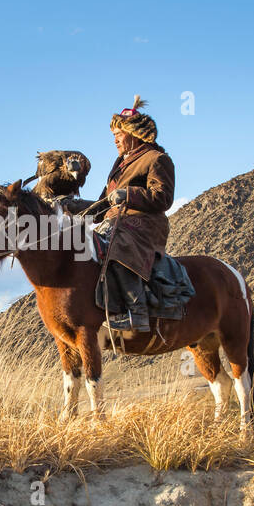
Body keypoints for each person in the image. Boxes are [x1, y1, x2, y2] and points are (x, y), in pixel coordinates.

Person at [92, 96, 175, 332]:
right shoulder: (120, 164)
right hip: (117, 222)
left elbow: (163, 198)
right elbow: (101, 205)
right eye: (113, 135)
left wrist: (128, 195)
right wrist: (70, 208)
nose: (115, 139)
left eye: (119, 133)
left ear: (135, 133)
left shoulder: (157, 159)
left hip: (144, 225)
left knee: (117, 244)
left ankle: (137, 313)